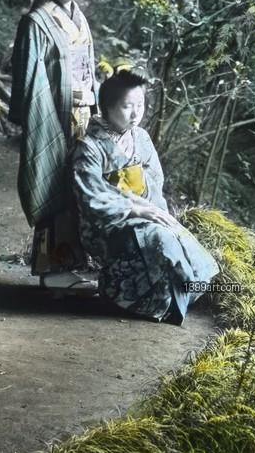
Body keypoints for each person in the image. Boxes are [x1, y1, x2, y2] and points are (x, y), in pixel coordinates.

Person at [72, 69, 219, 324]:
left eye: (140, 105)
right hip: (109, 221)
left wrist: (154, 210)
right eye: (127, 106)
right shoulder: (90, 146)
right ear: (107, 107)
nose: (135, 113)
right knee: (160, 239)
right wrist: (134, 209)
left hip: (144, 211)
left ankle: (178, 296)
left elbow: (154, 181)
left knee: (177, 235)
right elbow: (90, 195)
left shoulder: (141, 138)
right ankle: (125, 294)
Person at [9, 0, 99, 290]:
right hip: (52, 114)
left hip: (80, 114)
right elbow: (31, 78)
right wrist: (40, 120)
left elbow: (88, 67)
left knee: (76, 186)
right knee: (52, 183)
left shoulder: (79, 17)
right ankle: (51, 270)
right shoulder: (36, 21)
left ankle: (73, 264)